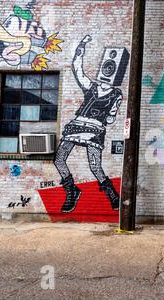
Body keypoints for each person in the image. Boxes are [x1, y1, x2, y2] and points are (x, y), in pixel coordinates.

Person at [54, 35, 122, 213]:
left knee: (94, 166)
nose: (107, 70)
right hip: (76, 125)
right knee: (59, 159)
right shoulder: (91, 86)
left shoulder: (116, 94)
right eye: (106, 67)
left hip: (94, 130)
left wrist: (109, 113)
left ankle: (112, 194)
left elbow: (110, 118)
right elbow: (77, 69)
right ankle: (72, 190)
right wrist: (81, 46)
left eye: (110, 68)